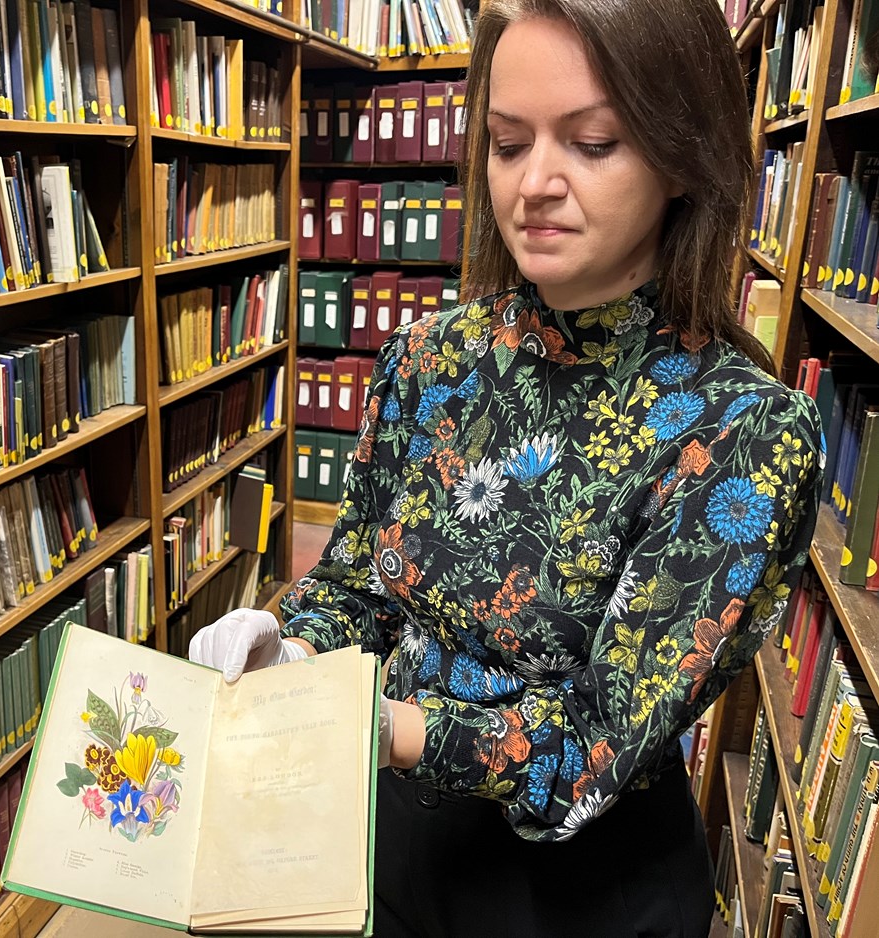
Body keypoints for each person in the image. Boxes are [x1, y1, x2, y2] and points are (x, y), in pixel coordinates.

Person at [190, 0, 825, 934]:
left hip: (575, 888)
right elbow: (360, 580)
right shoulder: (427, 359)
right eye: (506, 142)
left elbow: (600, 743)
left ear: (683, 158)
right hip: (391, 837)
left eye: (594, 143)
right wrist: (296, 650)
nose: (536, 183)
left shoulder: (745, 433)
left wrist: (384, 727)